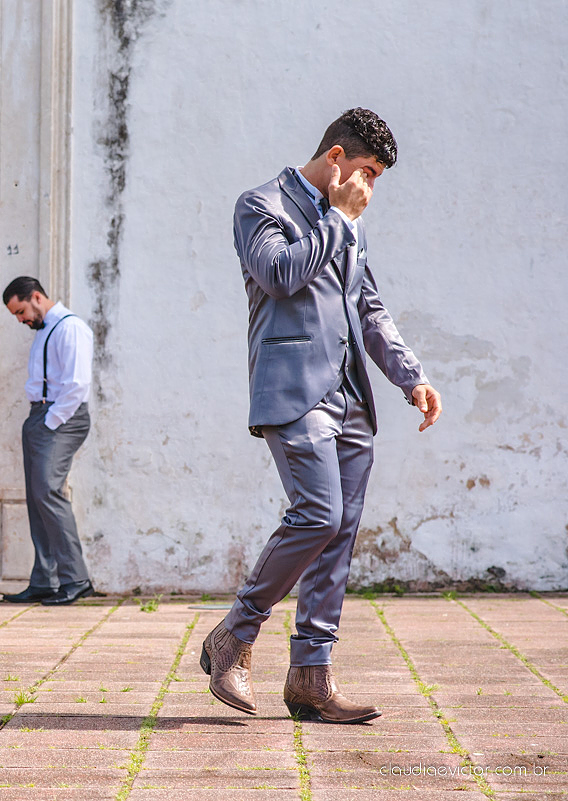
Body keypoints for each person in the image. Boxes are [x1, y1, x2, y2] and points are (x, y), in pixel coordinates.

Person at [203, 108, 443, 723]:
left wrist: (410, 375)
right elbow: (279, 275)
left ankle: (311, 676)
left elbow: (370, 309)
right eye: (366, 171)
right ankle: (235, 633)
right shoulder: (260, 205)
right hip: (292, 390)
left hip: (352, 399)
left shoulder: (352, 226)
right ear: (336, 157)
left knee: (338, 536)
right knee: (317, 513)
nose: (368, 187)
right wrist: (338, 218)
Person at [0, 276, 95, 606]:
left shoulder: (70, 328)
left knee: (48, 491)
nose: (21, 319)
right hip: (40, 417)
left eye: (21, 311)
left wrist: (50, 422)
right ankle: (44, 580)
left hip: (62, 418)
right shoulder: (44, 329)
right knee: (37, 497)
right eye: (15, 315)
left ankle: (76, 579)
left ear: (37, 297)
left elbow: (77, 385)